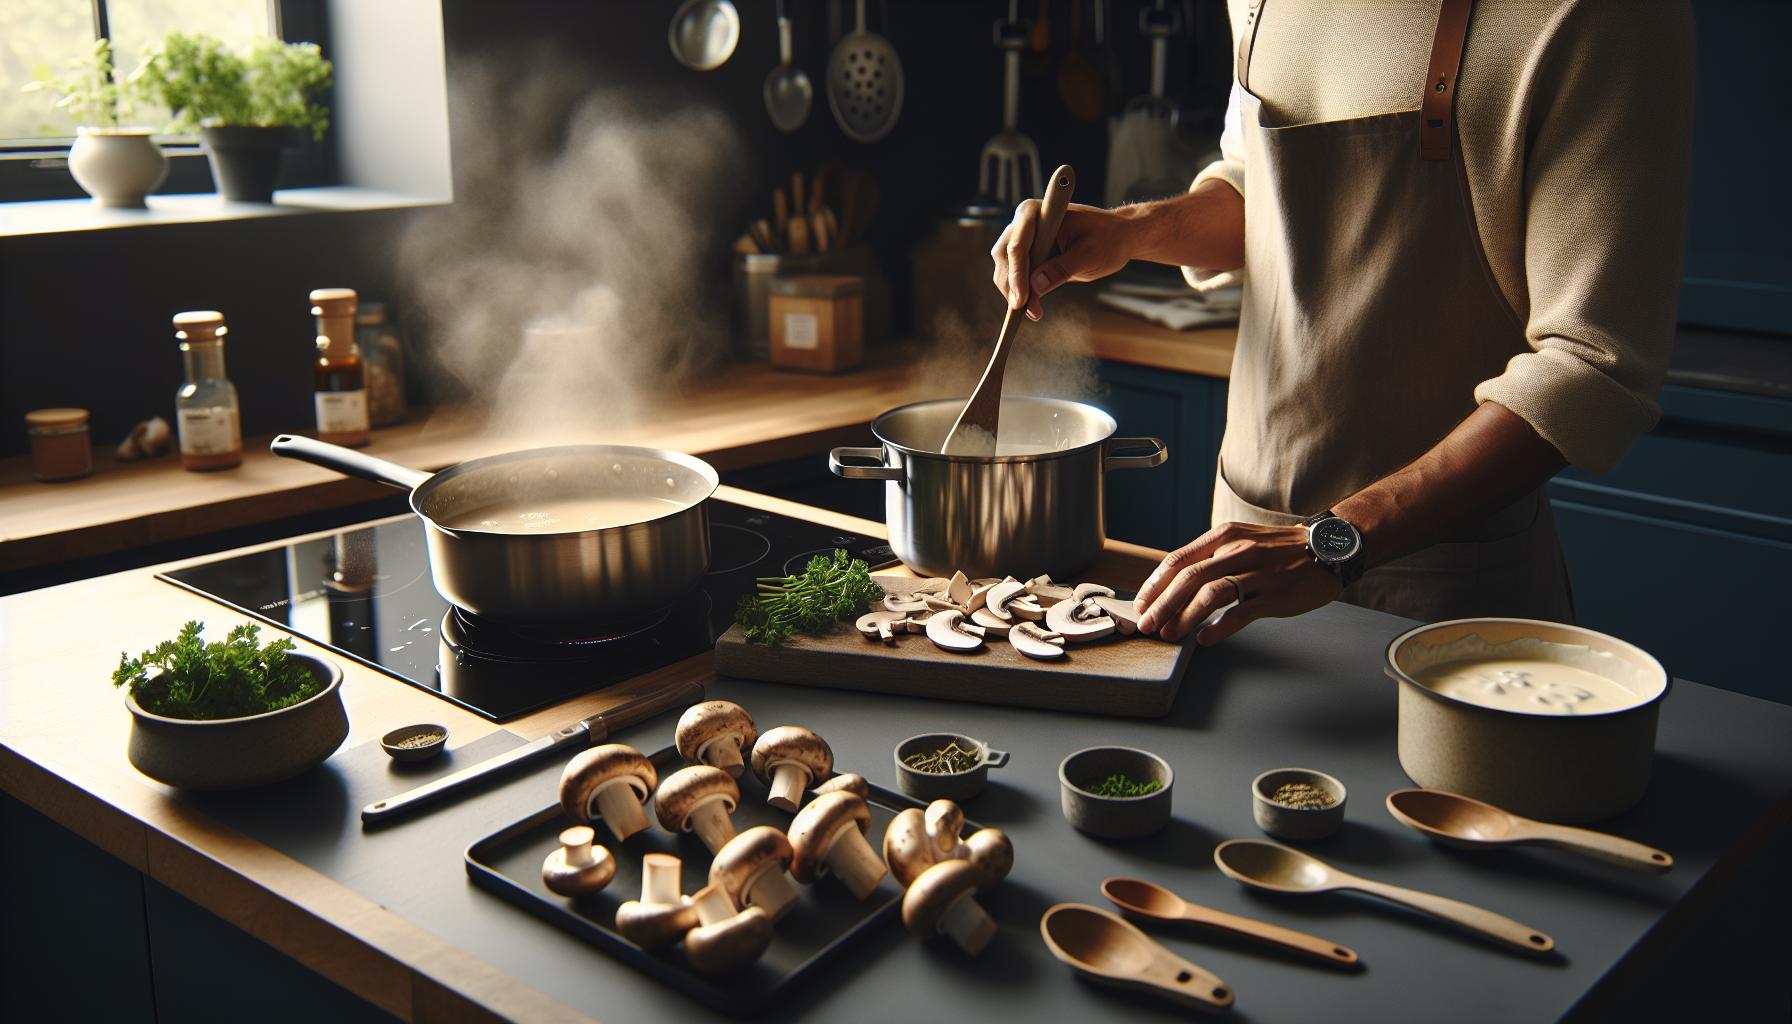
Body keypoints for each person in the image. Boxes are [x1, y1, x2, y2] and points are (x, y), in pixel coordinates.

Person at [990, 0, 1693, 644]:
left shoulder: (1600, 15)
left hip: (1446, 595)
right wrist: (1133, 231)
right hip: (1237, 560)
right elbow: (1259, 187)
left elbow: (1594, 365)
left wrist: (1333, 540)